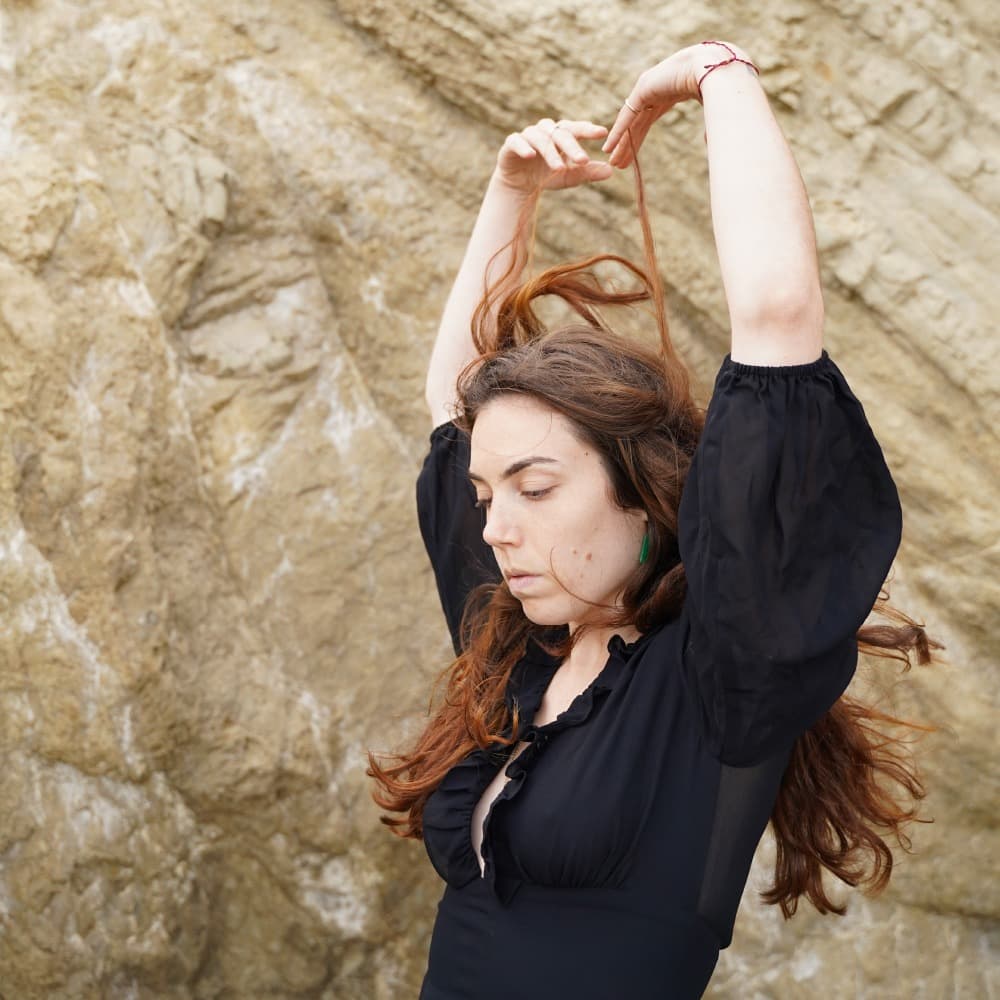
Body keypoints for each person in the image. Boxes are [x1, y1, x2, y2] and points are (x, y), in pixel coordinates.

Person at [368, 40, 935, 999]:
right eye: (487, 496)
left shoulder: (723, 664)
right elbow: (454, 402)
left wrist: (720, 73)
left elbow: (778, 315)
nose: (496, 527)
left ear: (638, 492)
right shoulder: (518, 643)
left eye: (535, 489)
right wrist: (512, 188)